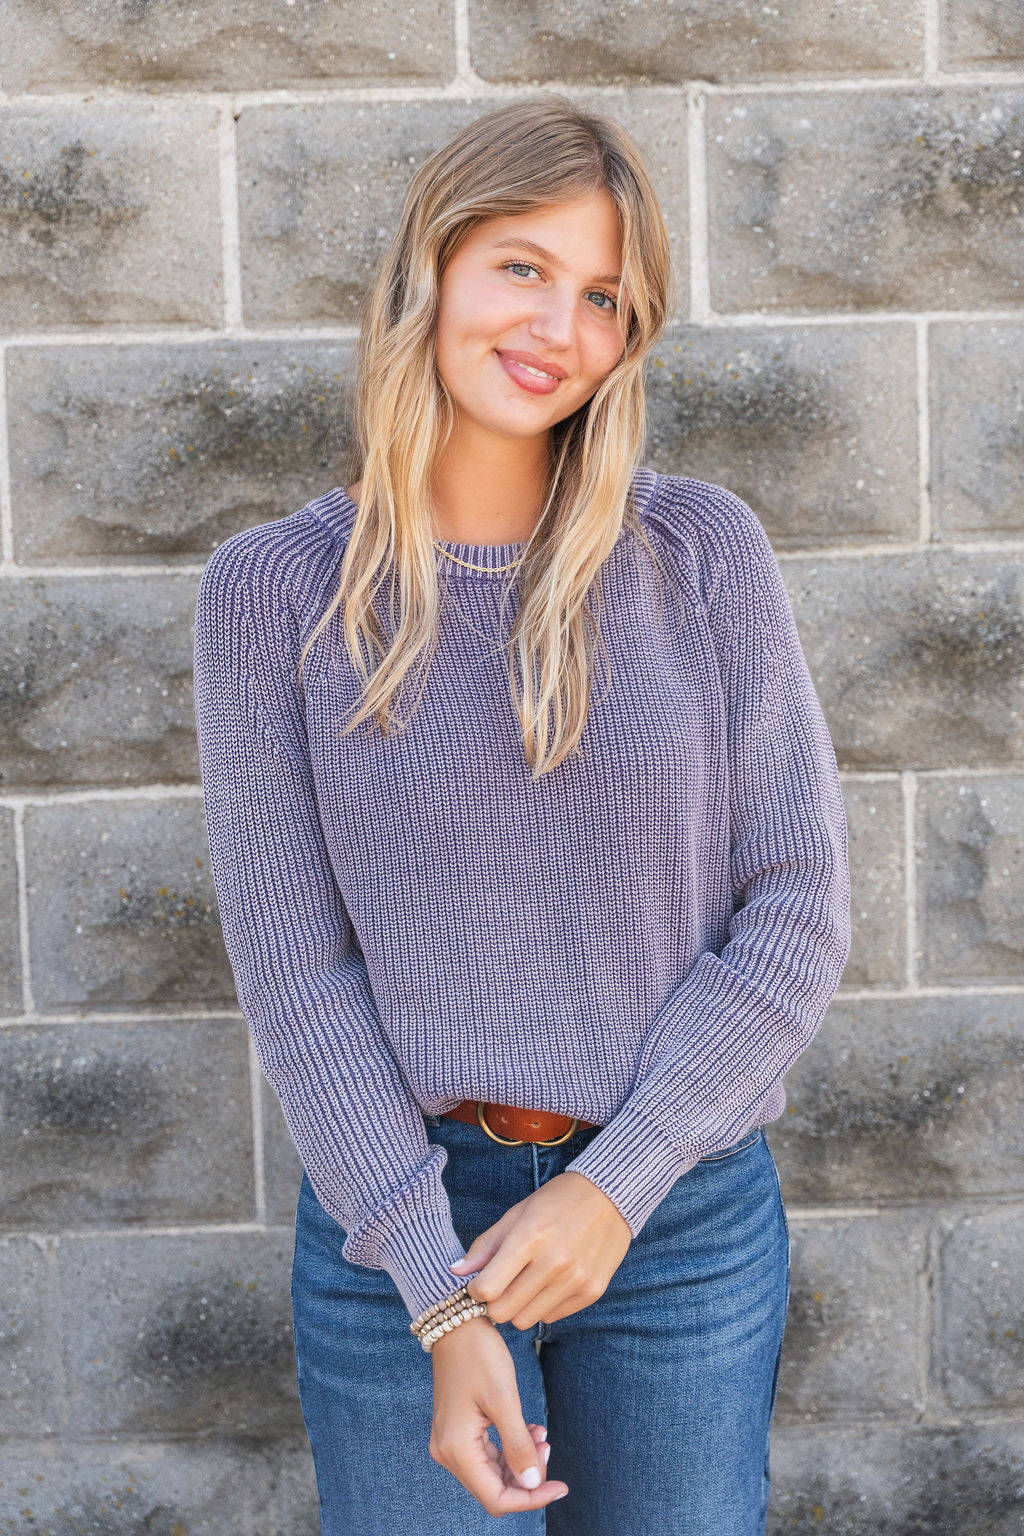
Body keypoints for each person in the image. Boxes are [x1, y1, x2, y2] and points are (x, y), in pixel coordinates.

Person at [192, 93, 852, 1535]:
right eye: (523, 267)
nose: (559, 324)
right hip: (398, 1227)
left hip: (676, 1217)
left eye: (604, 295)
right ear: (432, 266)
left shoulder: (700, 554)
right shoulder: (275, 595)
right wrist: (438, 1294)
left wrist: (617, 1184)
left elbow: (797, 905)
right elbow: (298, 975)